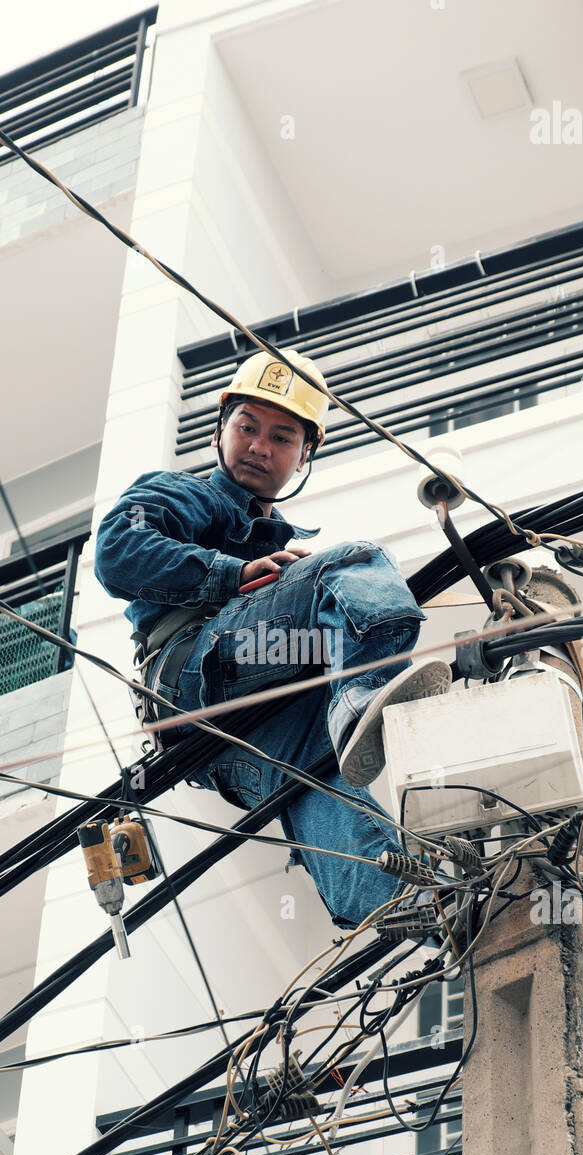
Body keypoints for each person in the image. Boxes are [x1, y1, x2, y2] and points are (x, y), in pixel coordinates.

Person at [94, 349, 451, 928]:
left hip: (228, 747)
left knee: (322, 782)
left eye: (282, 437)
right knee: (353, 568)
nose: (259, 446)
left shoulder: (275, 542)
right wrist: (228, 575)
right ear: (220, 429)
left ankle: (410, 909)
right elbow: (115, 553)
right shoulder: (188, 496)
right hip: (189, 673)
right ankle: (362, 698)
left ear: (305, 454)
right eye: (247, 427)